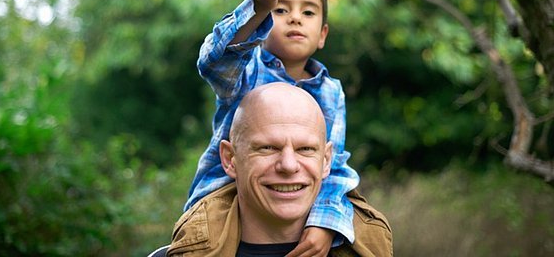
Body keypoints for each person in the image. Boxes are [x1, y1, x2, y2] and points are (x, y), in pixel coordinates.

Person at [185, 0, 360, 255]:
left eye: (308, 12)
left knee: (369, 229)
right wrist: (258, 4)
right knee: (202, 244)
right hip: (227, 193)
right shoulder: (246, 71)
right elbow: (213, 61)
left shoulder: (331, 92)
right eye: (281, 10)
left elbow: (334, 165)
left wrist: (325, 222)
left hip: (304, 192)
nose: (295, 18)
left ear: (322, 34)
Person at [167, 83, 392, 256]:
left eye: (305, 149)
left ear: (326, 161)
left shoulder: (370, 247)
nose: (288, 165)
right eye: (267, 148)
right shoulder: (188, 250)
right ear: (230, 159)